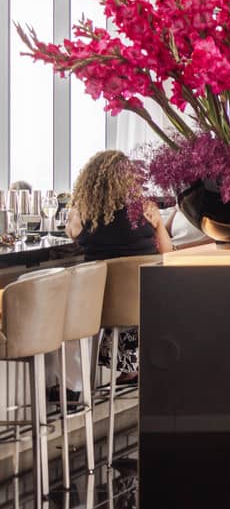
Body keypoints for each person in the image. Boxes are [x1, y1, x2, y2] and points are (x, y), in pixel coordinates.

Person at [65, 150, 174, 388]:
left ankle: (74, 386)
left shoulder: (81, 213)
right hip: (144, 303)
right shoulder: (145, 209)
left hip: (95, 306)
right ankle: (131, 368)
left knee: (66, 305)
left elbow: (71, 234)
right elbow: (168, 253)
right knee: (136, 294)